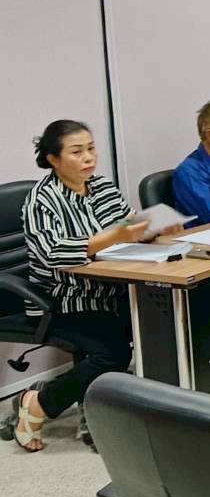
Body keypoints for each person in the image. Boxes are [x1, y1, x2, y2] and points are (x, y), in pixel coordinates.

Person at [11, 121, 181, 451]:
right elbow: (51, 253)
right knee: (112, 352)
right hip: (62, 298)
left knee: (163, 319)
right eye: (77, 152)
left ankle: (155, 409)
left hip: (109, 288)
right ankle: (38, 403)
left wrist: (153, 227)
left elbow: (128, 226)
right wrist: (113, 236)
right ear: (53, 159)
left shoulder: (101, 186)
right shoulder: (41, 200)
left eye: (90, 148)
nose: (88, 157)